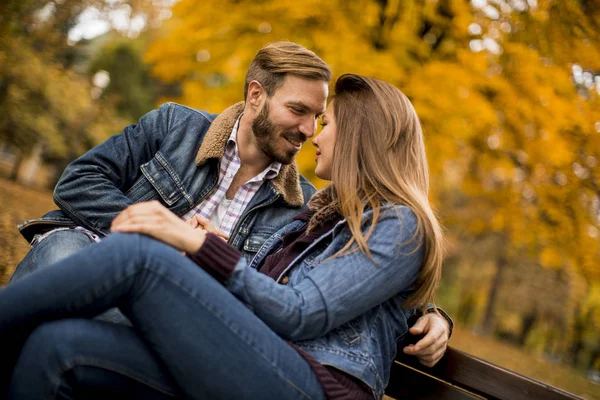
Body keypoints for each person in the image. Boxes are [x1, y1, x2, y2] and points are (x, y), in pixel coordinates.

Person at [2, 74, 445, 399]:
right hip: (253, 361)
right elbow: (303, 293)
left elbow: (303, 311)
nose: (314, 134)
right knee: (57, 347)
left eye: (327, 124)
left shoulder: (400, 223)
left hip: (314, 387)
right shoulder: (314, 218)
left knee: (138, 256)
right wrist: (206, 248)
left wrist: (196, 244)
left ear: (361, 138)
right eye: (310, 117)